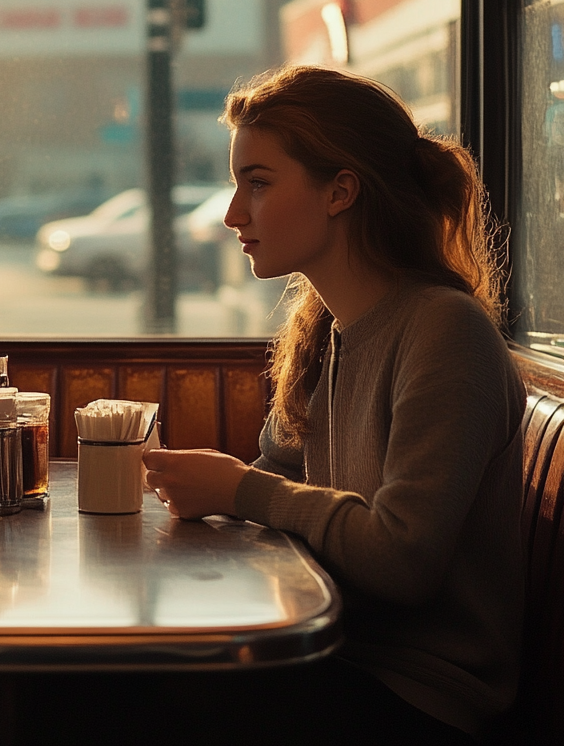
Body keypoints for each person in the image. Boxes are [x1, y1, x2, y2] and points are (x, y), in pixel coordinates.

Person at [144, 65, 525, 744]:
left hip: (418, 694)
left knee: (114, 696)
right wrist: (220, 488)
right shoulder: (326, 326)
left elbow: (404, 561)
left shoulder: (445, 331)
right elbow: (272, 477)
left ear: (341, 191)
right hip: (334, 653)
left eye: (257, 184)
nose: (234, 214)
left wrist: (238, 489)